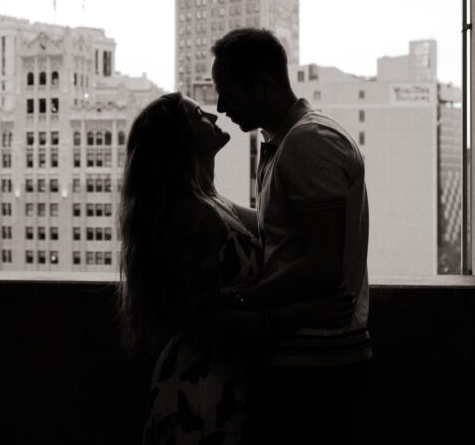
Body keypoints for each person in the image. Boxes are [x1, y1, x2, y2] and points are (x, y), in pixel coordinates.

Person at [117, 93, 350, 445]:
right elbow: (208, 320)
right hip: (203, 392)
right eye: (197, 115)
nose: (212, 114)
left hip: (228, 380)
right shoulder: (190, 218)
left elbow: (279, 227)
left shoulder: (212, 203)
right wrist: (305, 312)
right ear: (179, 140)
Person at [210, 28, 372, 445]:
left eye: (229, 93)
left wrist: (242, 301)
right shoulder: (287, 142)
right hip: (306, 355)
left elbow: (322, 266)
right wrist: (207, 201)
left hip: (317, 363)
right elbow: (276, 231)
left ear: (264, 84)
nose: (220, 106)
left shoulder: (309, 142)